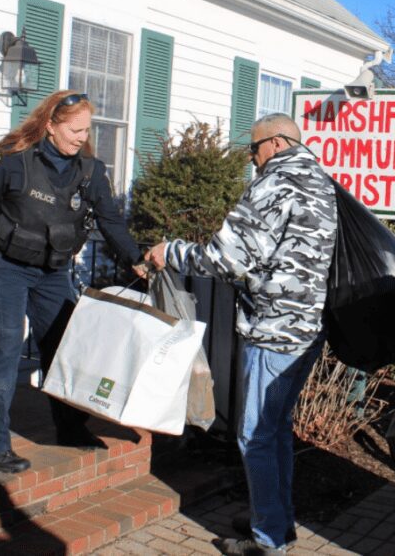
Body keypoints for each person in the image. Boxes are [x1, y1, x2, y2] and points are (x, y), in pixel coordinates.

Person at [146, 113, 336, 556]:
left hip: (274, 330)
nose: (252, 158)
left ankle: (269, 541)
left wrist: (170, 251)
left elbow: (226, 259)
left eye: (254, 149)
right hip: (307, 329)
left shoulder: (275, 183)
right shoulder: (322, 182)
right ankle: (273, 519)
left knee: (256, 435)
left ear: (275, 143)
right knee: (275, 431)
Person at [0, 90, 146, 474]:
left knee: (64, 350)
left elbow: (110, 220)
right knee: (5, 351)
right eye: (75, 130)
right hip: (5, 268)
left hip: (53, 272)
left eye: (86, 130)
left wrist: (135, 259)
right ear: (51, 126)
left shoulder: (90, 172)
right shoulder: (11, 160)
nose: (82, 138)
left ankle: (70, 428)